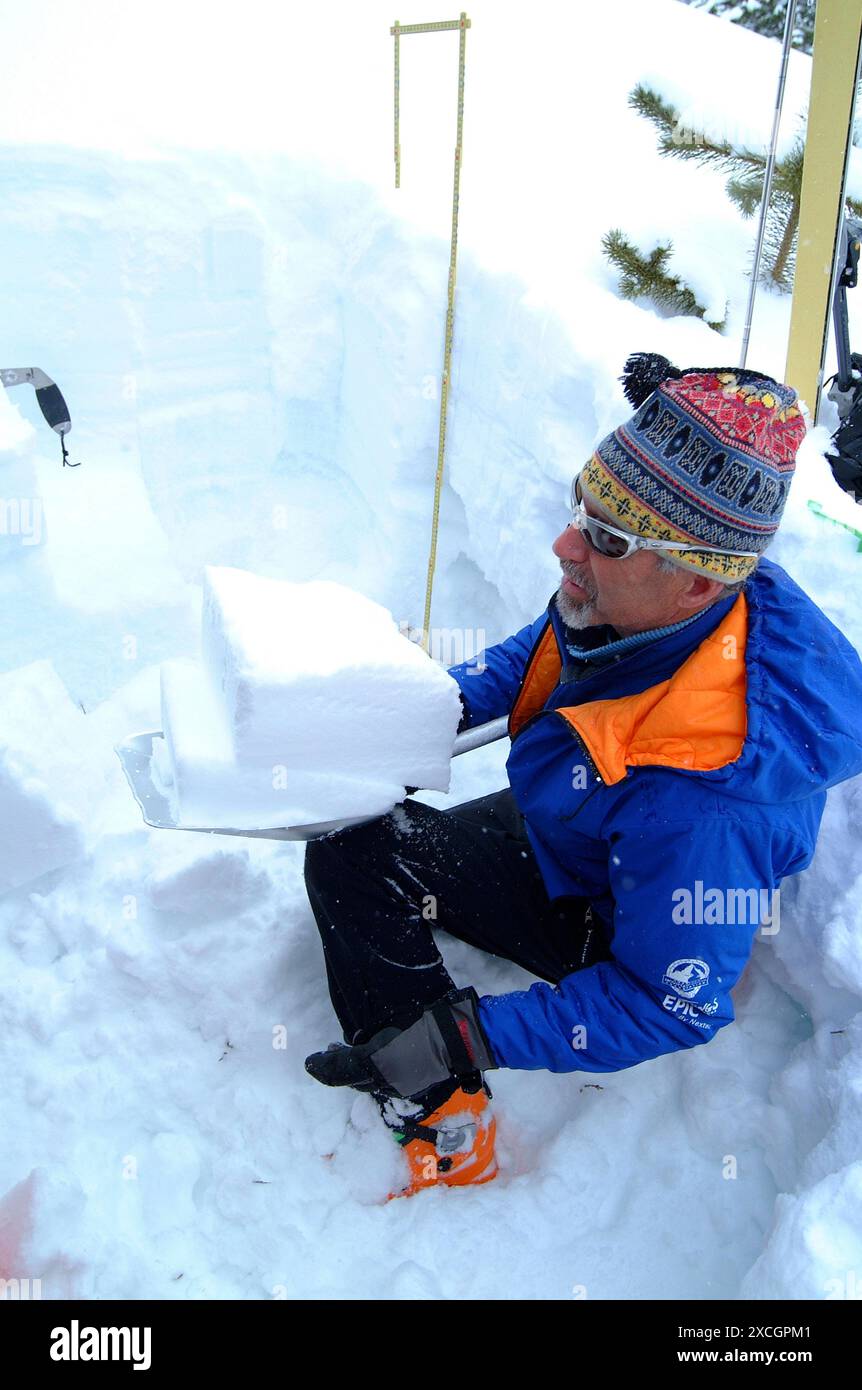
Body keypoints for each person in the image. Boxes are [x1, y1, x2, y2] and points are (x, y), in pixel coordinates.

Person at [303, 352, 862, 1199]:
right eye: (581, 509)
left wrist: (459, 1037)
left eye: (607, 537)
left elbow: (672, 1004)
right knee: (353, 822)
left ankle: (442, 1105)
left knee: (352, 858)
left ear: (695, 581)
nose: (566, 544)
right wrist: (406, 718)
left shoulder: (708, 808)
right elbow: (537, 653)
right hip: (575, 820)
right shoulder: (633, 600)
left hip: (614, 912)